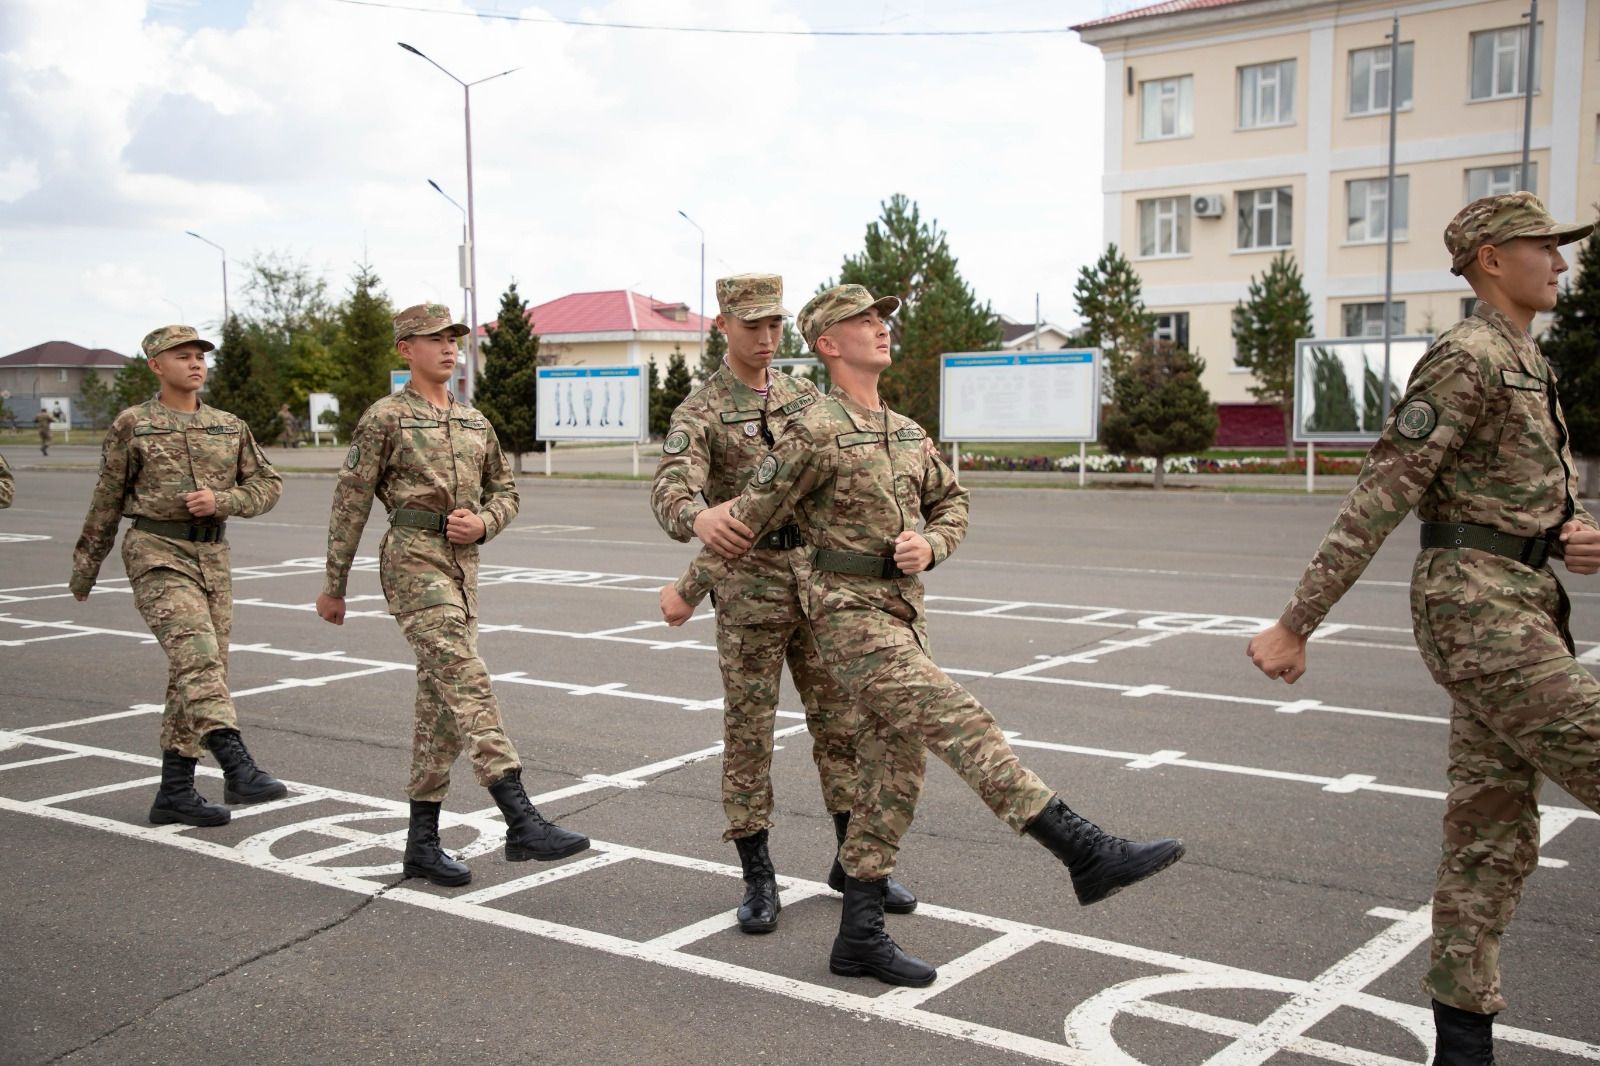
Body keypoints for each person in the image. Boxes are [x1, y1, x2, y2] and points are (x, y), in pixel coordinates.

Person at [661, 284, 1185, 987]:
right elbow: (748, 518)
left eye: (882, 320)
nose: (880, 329)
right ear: (828, 343)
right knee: (958, 720)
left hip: (903, 613)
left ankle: (860, 935)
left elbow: (953, 501)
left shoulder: (904, 429)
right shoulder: (812, 429)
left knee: (894, 766)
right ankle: (1082, 850)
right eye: (864, 320)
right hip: (845, 616)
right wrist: (687, 587)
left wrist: (930, 546)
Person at [1246, 192, 1597, 1063]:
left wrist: (1569, 534)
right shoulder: (1467, 358)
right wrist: (1297, 624)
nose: (1560, 263)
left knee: (1489, 833)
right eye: (1543, 248)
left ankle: (1461, 1045)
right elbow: (1383, 493)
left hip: (1521, 598)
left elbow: (1518, 489)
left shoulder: (1527, 361)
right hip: (1477, 611)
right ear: (1491, 259)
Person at [652, 273, 925, 935]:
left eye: (774, 324)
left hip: (820, 581)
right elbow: (669, 489)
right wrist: (697, 516)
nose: (767, 337)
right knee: (750, 734)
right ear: (723, 327)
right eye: (752, 325)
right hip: (748, 589)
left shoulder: (806, 395)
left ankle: (851, 860)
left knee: (840, 728)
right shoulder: (701, 410)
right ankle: (757, 874)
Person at [316, 302, 588, 888]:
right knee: (467, 679)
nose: (447, 348)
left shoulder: (473, 421)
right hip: (413, 561)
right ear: (404, 349)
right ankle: (520, 819)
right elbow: (351, 502)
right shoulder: (385, 417)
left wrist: (485, 522)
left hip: (463, 568)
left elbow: (507, 490)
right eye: (433, 339)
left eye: (452, 339)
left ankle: (421, 844)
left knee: (439, 707)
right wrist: (334, 584)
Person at [69, 325, 287, 827]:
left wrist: (224, 500)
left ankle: (175, 792)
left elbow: (267, 484)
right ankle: (237, 765)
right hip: (156, 550)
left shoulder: (228, 426)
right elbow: (106, 500)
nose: (195, 364)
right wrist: (86, 570)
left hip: (212, 558)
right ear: (155, 365)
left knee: (195, 674)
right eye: (182, 356)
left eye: (199, 356)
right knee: (198, 657)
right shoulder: (133, 425)